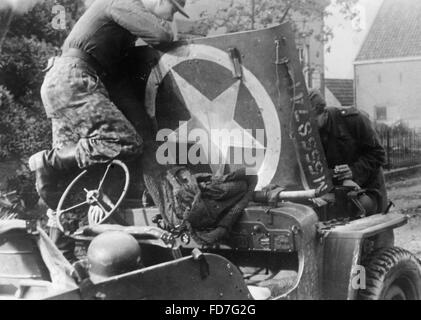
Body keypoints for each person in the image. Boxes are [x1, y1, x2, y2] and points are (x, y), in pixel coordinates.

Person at [28, 0, 189, 261]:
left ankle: (64, 269)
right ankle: (48, 161)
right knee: (124, 142)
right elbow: (162, 35)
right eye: (171, 9)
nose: (171, 16)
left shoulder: (119, 20)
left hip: (63, 81)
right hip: (74, 79)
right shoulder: (122, 2)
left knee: (69, 182)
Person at [308, 89, 388, 213]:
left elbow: (379, 154)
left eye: (313, 122)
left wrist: (353, 171)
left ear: (324, 112)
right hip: (340, 190)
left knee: (372, 225)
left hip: (369, 186)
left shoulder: (353, 119)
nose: (310, 128)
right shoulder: (307, 132)